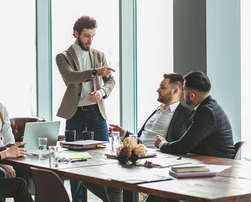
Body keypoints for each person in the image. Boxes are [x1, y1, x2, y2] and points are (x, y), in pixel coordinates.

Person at [83, 73, 191, 202]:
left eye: (162, 87)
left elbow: (180, 145)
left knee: (113, 186)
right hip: (136, 157)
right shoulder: (158, 110)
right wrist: (124, 133)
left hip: (155, 162)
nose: (157, 90)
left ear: (175, 91)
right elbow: (142, 139)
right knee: (88, 177)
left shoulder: (185, 115)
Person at [56, 15, 115, 202]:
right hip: (76, 115)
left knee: (104, 159)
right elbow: (71, 77)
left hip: (97, 113)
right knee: (76, 164)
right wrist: (95, 72)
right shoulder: (63, 57)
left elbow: (111, 80)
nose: (90, 40)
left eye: (93, 36)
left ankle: (110, 199)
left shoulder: (99, 55)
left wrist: (103, 92)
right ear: (76, 34)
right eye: (86, 36)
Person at [155, 71, 235, 159]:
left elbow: (183, 147)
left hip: (218, 165)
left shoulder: (207, 112)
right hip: (210, 161)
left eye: (184, 91)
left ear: (192, 96)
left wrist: (162, 144)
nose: (183, 94)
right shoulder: (209, 107)